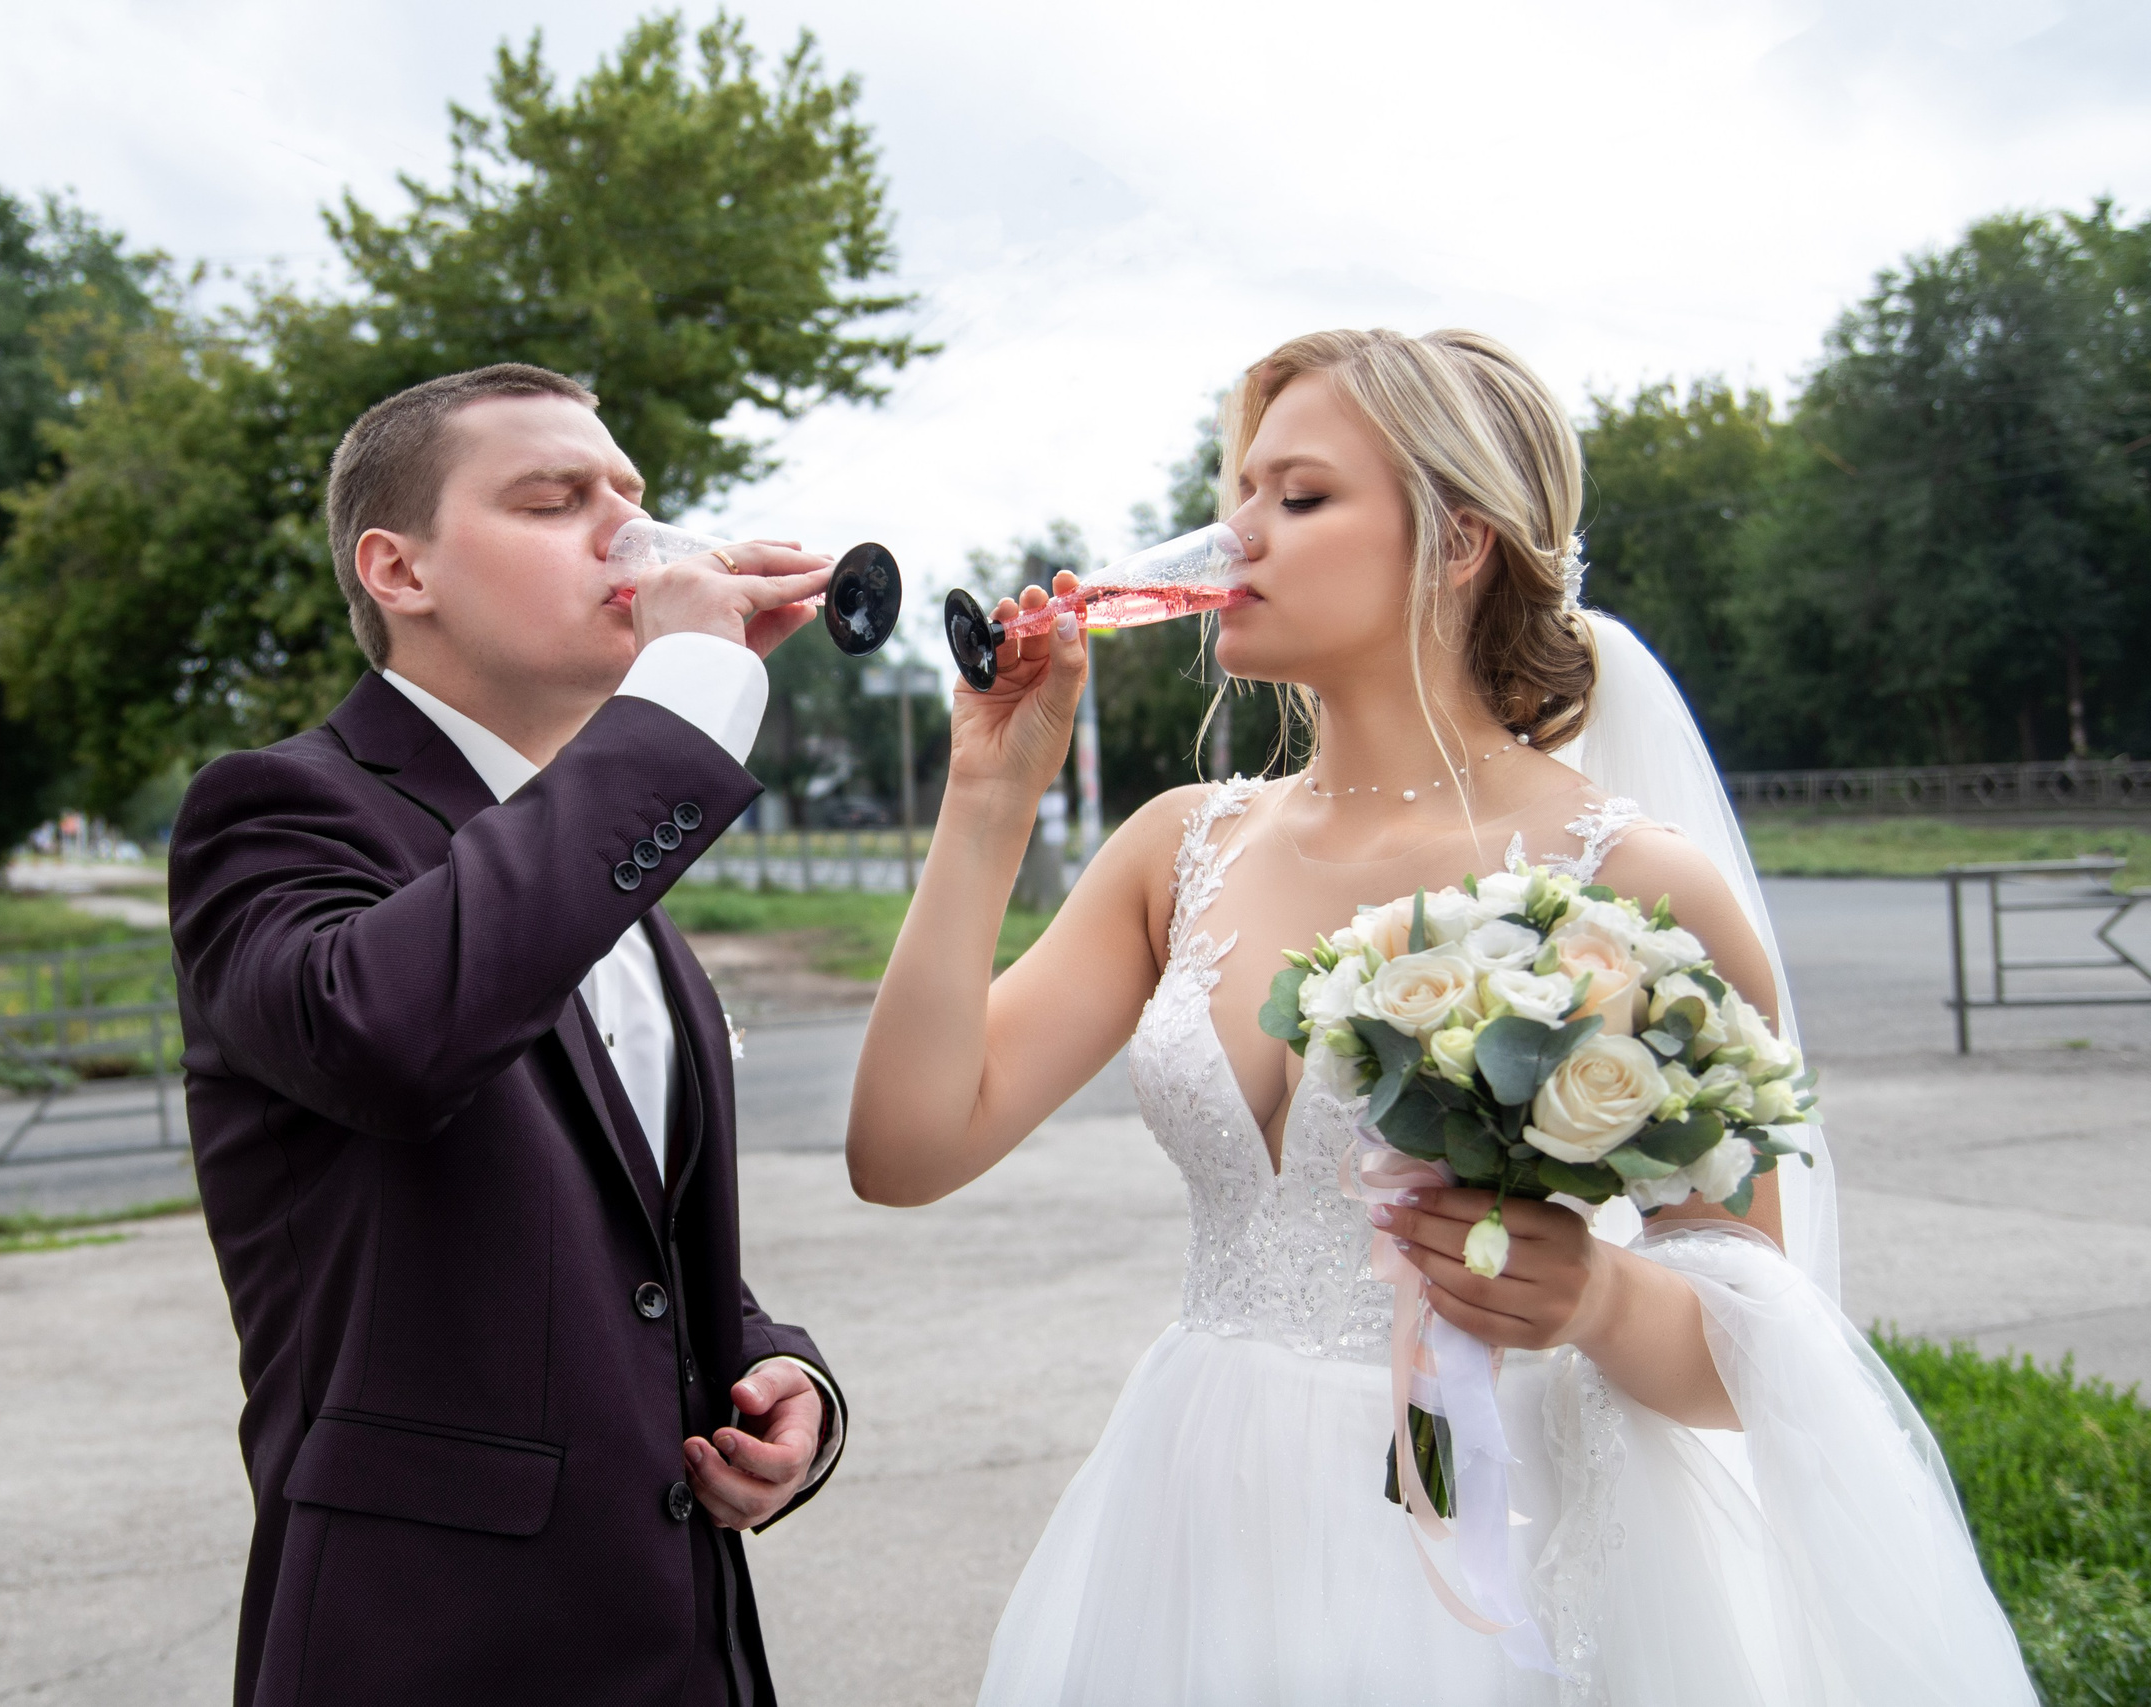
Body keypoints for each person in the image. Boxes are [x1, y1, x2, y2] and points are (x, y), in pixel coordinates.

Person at [846, 329, 2033, 1704]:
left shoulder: (1633, 886)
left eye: (1298, 499)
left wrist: (1598, 1293)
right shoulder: (1179, 847)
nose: (1234, 539)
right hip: (1190, 1515)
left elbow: (1753, 1358)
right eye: (1239, 494)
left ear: (1459, 542)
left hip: (1492, 1559)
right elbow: (905, 1152)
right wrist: (988, 800)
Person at [170, 363, 846, 1707]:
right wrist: (687, 695)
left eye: (633, 498)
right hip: (430, 1646)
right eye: (554, 500)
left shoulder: (605, 861)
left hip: (678, 1645)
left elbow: (621, 1243)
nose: (626, 534)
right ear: (398, 570)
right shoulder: (274, 813)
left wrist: (771, 1365)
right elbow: (392, 1035)